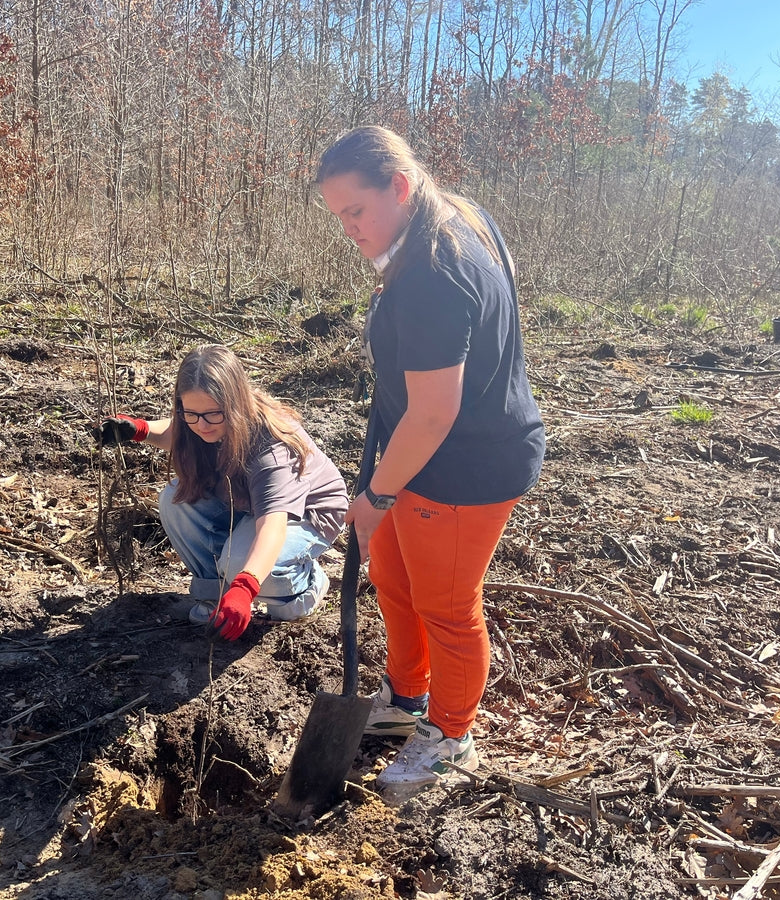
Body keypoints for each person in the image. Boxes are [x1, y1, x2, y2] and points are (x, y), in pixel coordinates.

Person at [317, 126, 545, 798]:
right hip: (424, 453)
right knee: (392, 575)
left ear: (401, 186)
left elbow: (434, 412)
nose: (350, 230)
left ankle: (450, 734)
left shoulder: (433, 275)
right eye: (338, 218)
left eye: (356, 211)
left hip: (466, 465)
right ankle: (406, 697)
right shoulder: (455, 215)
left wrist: (377, 496)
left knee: (445, 604)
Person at [93, 344, 349, 640]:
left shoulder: (271, 450)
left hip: (305, 514)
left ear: (234, 404)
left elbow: (272, 526)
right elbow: (180, 430)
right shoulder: (203, 420)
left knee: (245, 568)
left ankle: (306, 585)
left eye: (213, 414)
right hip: (249, 502)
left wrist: (245, 587)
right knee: (175, 501)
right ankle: (214, 593)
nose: (201, 425)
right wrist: (138, 430)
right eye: (191, 413)